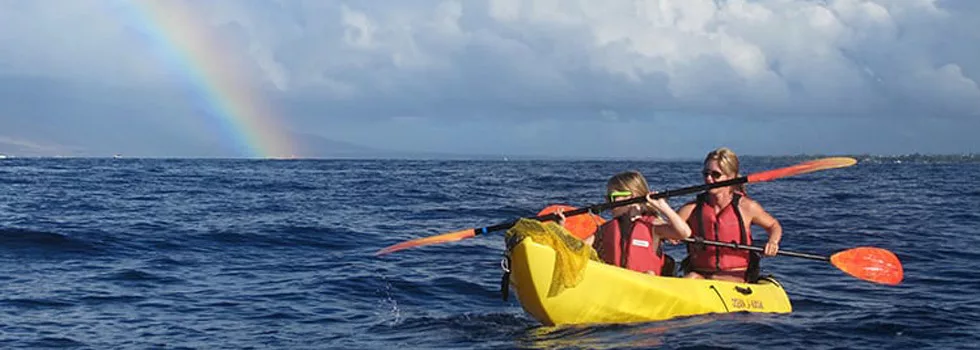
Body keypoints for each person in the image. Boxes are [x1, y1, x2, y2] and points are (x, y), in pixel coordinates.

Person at [677, 147, 783, 283]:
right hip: (700, 275)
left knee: (708, 280)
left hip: (735, 277)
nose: (709, 179)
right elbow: (666, 229)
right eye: (706, 174)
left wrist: (773, 242)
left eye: (715, 175)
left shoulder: (747, 207)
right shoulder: (692, 208)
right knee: (691, 278)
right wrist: (657, 207)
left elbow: (774, 225)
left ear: (730, 177)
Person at [559, 171, 691, 276]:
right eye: (607, 198)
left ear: (632, 197)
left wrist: (663, 207)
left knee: (648, 274)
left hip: (647, 285)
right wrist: (561, 228)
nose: (609, 203)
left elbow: (684, 233)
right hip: (616, 284)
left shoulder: (653, 226)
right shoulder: (605, 229)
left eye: (613, 197)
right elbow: (577, 249)